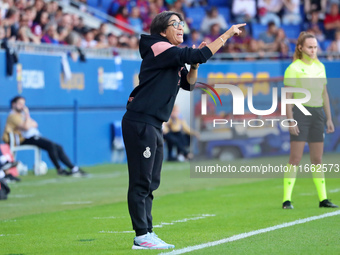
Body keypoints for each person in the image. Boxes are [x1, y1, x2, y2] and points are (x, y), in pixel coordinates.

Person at [121, 11, 245, 249]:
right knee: (140, 181)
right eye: (174, 24)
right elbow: (200, 53)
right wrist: (227, 34)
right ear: (162, 30)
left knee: (151, 182)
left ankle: (147, 232)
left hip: (154, 124)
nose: (180, 27)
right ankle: (141, 235)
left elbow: (188, 84)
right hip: (141, 122)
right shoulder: (158, 46)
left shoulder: (170, 55)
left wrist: (194, 65)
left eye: (182, 23)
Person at [282, 31, 338, 209]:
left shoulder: (320, 67)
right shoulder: (293, 68)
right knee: (295, 158)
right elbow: (288, 97)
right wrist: (290, 120)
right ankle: (286, 200)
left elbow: (324, 94)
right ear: (300, 48)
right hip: (300, 114)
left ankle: (323, 199)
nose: (313, 50)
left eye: (315, 47)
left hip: (318, 114)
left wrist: (329, 118)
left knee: (317, 159)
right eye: (310, 47)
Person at [2, 96, 87, 177]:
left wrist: (27, 121)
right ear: (13, 104)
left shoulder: (20, 115)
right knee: (50, 146)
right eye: (20, 104)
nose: (22, 106)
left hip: (31, 137)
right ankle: (60, 169)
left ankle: (73, 168)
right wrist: (27, 115)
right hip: (23, 140)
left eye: (23, 104)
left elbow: (35, 124)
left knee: (58, 147)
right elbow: (27, 127)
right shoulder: (13, 116)